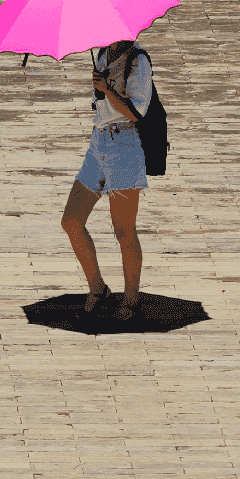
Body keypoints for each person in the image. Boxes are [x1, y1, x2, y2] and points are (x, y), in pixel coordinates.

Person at [60, 39, 153, 321]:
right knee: (71, 220)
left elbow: (137, 113)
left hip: (124, 145)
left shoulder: (138, 60)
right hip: (98, 143)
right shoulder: (102, 54)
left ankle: (132, 299)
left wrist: (107, 89)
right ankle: (98, 288)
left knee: (124, 230)